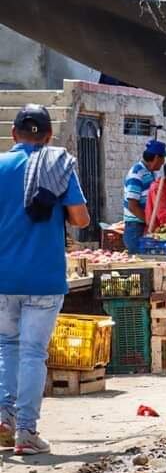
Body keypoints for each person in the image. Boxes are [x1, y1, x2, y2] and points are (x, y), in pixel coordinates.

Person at [0, 105, 90, 455]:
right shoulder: (57, 164)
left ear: (13, 135)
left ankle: (4, 420)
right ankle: (26, 432)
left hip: (3, 277)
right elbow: (81, 220)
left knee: (6, 348)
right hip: (44, 277)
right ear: (50, 136)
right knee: (33, 353)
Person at [122, 139, 166, 252]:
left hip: (144, 225)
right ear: (157, 158)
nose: (163, 162)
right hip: (136, 227)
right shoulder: (137, 174)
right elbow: (132, 206)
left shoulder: (151, 173)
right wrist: (150, 223)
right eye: (163, 158)